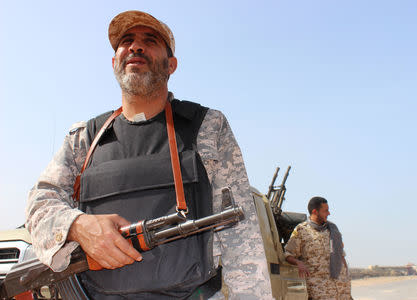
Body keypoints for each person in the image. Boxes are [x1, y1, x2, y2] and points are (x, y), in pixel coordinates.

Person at [25, 10, 273, 299]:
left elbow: (241, 231)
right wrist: (79, 226)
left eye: (150, 40)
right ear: (115, 61)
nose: (136, 46)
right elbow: (40, 204)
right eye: (126, 40)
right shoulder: (84, 138)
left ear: (171, 65)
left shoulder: (207, 125)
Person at [284, 196, 351, 300]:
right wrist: (299, 263)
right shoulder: (302, 231)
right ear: (315, 211)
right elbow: (288, 254)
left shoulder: (333, 230)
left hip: (341, 289)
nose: (329, 213)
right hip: (320, 291)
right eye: (326, 211)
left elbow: (341, 256)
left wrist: (347, 278)